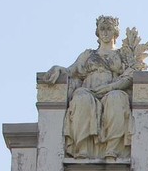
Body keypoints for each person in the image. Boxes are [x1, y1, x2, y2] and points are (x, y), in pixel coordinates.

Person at [44, 16, 140, 160]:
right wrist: (58, 68)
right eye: (102, 29)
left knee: (117, 99)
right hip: (89, 89)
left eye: (109, 29)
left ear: (115, 32)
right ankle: (82, 149)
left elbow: (129, 76)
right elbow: (71, 71)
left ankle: (112, 149)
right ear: (98, 32)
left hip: (112, 89)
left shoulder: (122, 55)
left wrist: (109, 88)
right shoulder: (88, 55)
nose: (105, 33)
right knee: (81, 99)